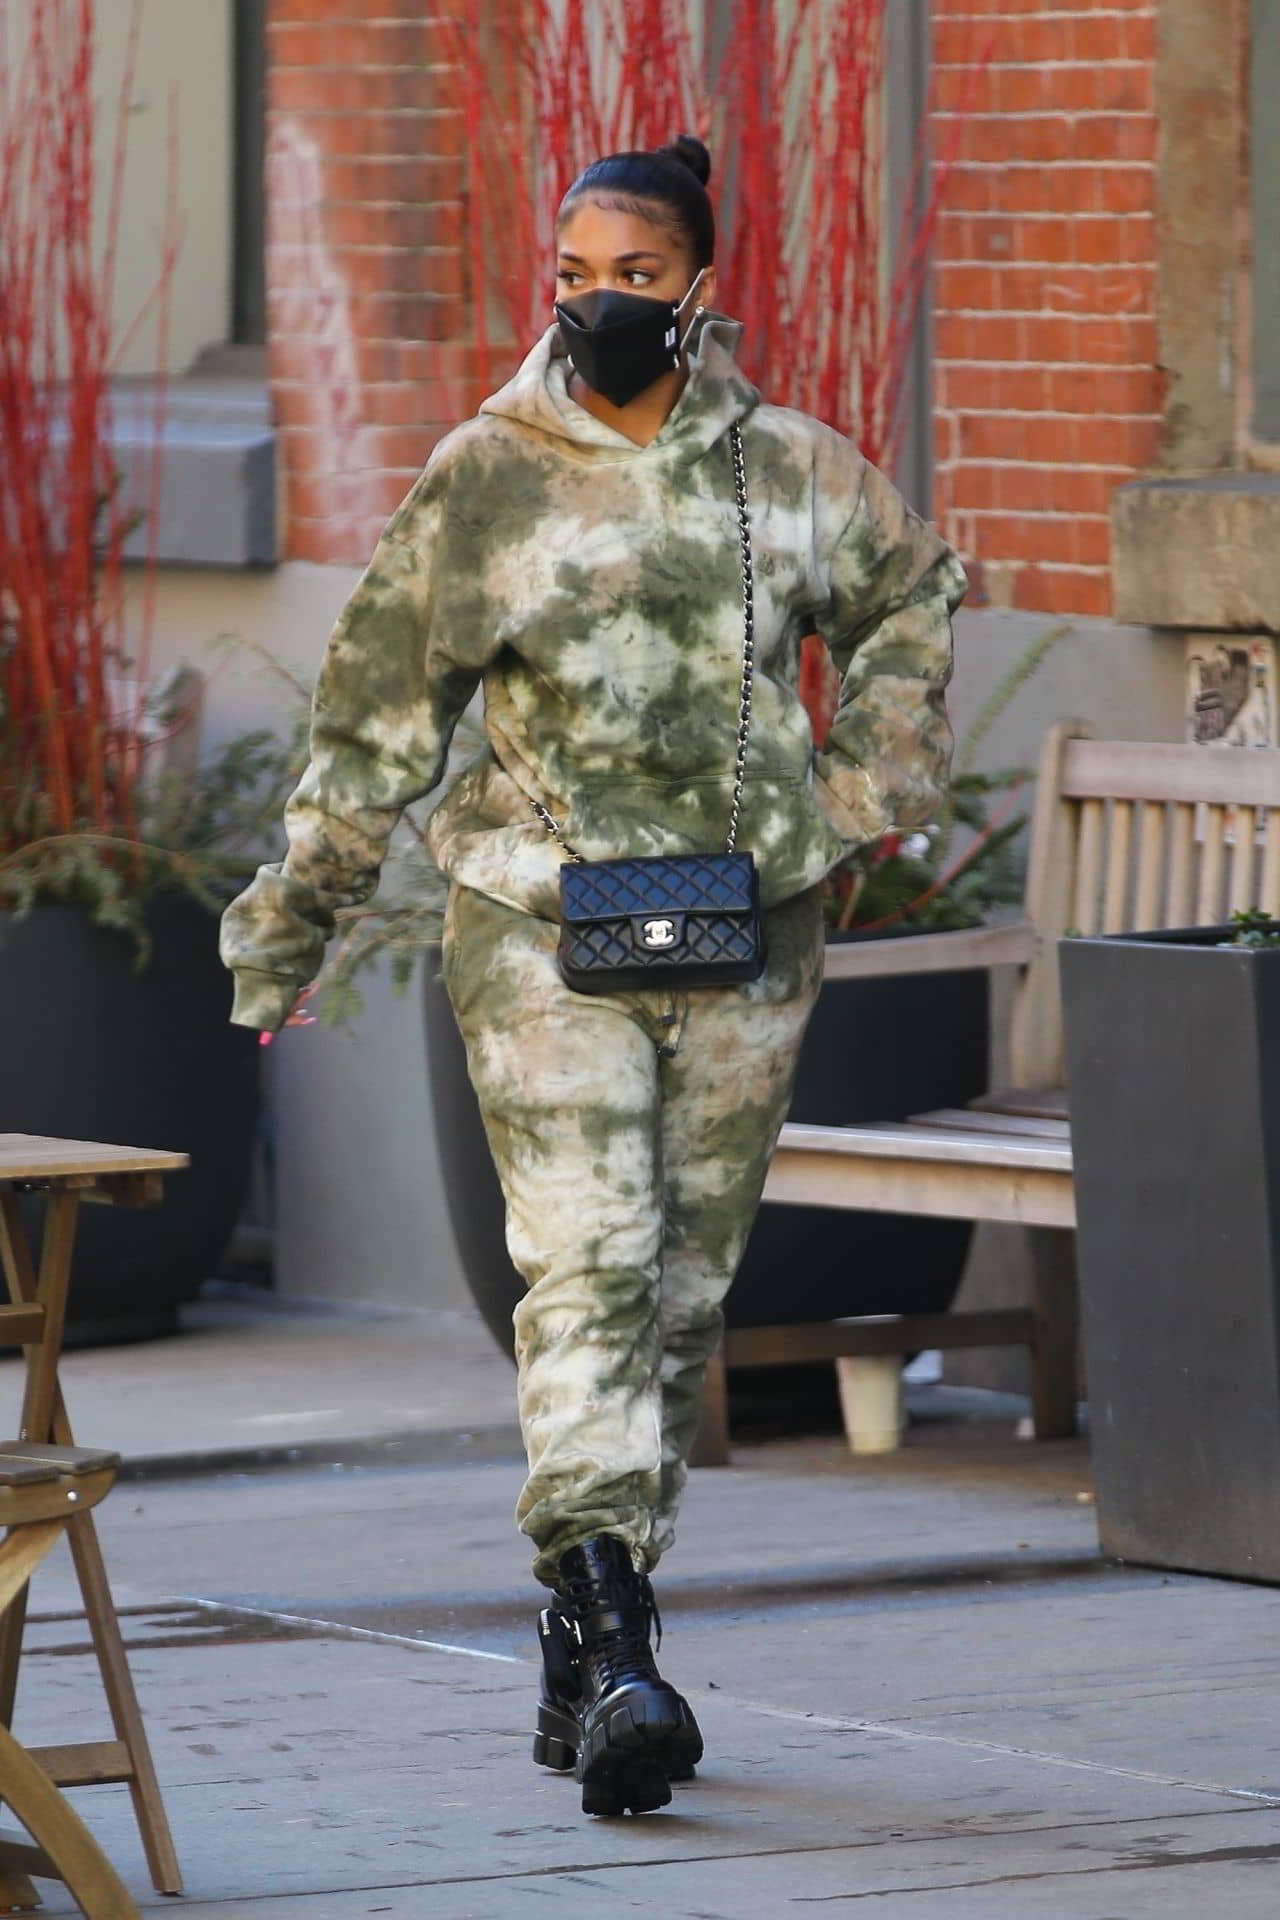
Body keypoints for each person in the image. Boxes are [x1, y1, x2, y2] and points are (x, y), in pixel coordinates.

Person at [220, 135, 967, 1818]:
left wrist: (860, 795)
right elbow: (369, 723)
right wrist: (292, 925)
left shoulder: (786, 469)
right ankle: (621, 1633)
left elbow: (917, 590)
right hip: (539, 923)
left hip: (747, 926)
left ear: (701, 285)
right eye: (574, 276)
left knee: (682, 1295)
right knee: (587, 1265)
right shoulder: (487, 474)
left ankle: (583, 1632)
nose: (600, 304)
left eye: (636, 275)